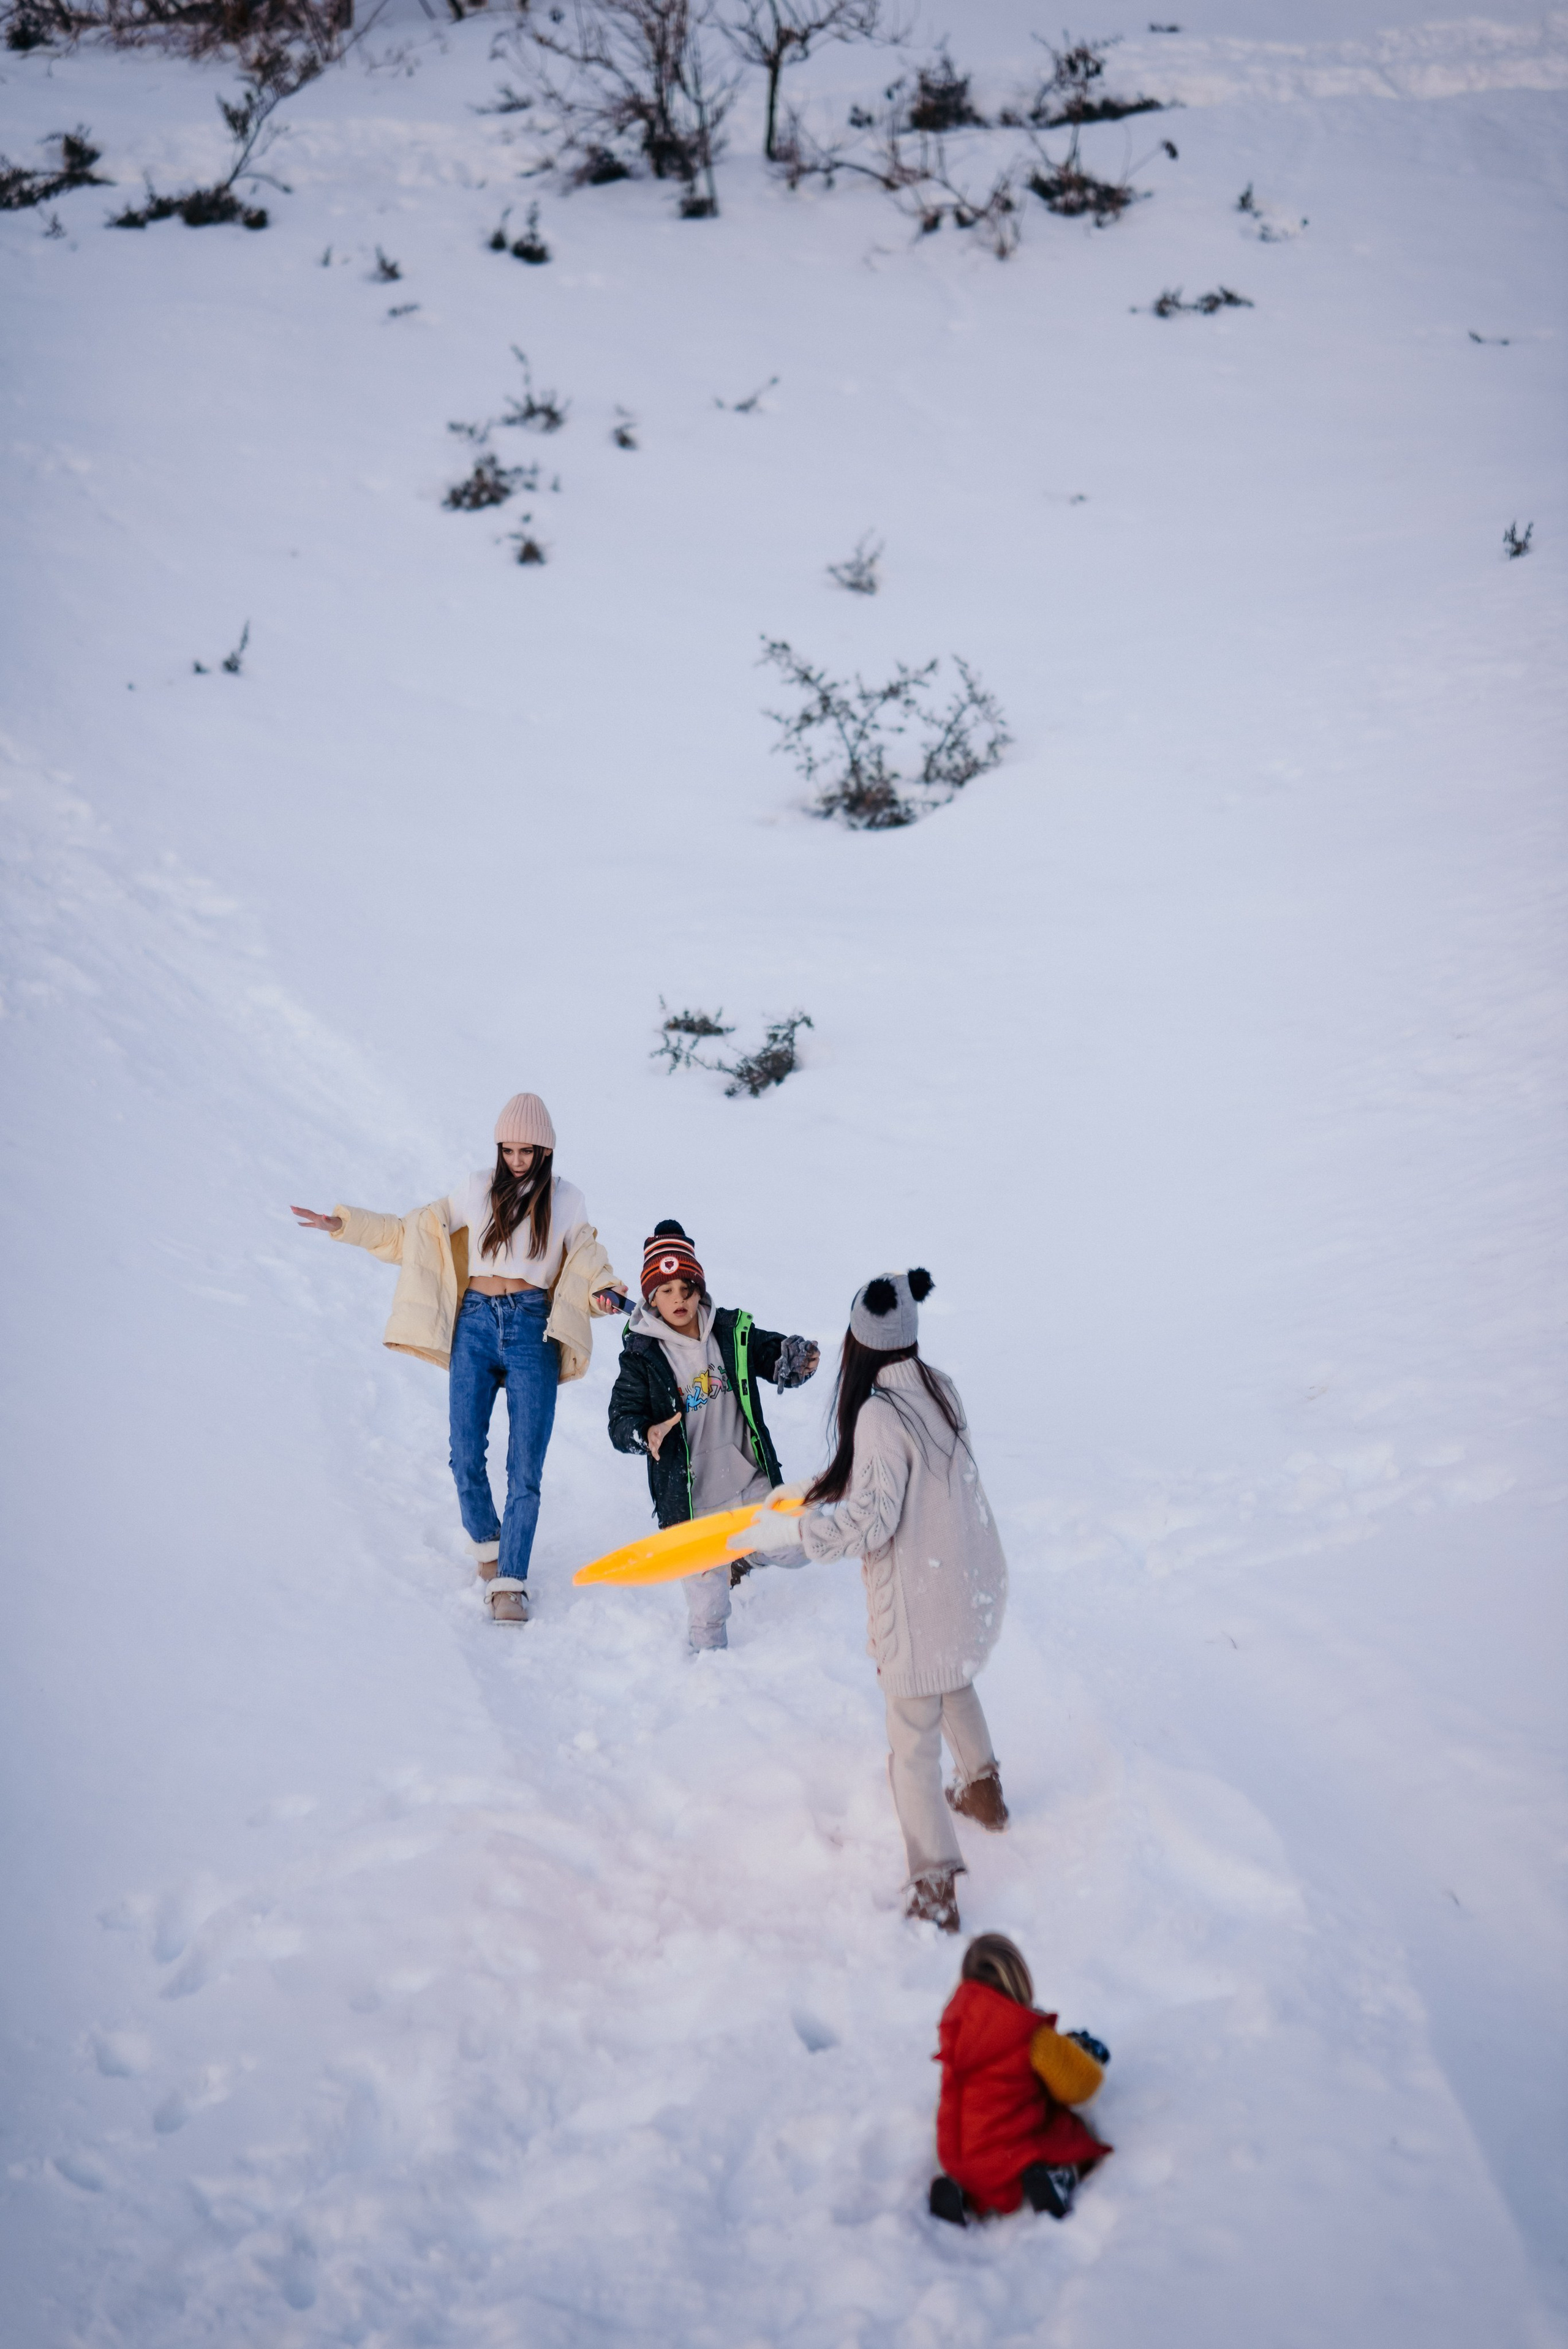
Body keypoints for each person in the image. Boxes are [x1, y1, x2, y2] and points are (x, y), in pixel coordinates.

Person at [734, 1267, 1008, 1930]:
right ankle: (982, 1789)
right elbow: (888, 1486)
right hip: (964, 1584)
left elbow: (876, 1518)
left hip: (917, 1600)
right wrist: (809, 1491)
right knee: (954, 1678)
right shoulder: (939, 1388)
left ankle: (934, 1880)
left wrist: (796, 1532)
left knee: (912, 1739)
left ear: (862, 1342)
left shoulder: (879, 1414)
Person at [291, 1092, 627, 1623]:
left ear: (547, 1150)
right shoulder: (475, 1189)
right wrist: (344, 1225)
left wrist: (605, 1289)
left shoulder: (568, 1200)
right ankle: (488, 1546)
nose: (517, 1160)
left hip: (532, 1326)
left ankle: (509, 1582)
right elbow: (412, 1234)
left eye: (528, 1150)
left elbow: (588, 1259)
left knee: (525, 1465)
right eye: (508, 1150)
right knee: (464, 1452)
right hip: (473, 1322)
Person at [608, 1220, 819, 1653]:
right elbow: (620, 1419)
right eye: (666, 1292)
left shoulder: (728, 1330)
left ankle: (741, 1553)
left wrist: (791, 1360)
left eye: (686, 1288)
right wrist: (643, 1432)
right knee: (707, 1615)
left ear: (699, 1288)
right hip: (691, 1500)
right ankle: (709, 1680)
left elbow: (766, 1351)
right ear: (651, 1298)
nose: (679, 1300)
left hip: (746, 1480)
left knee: (798, 1547)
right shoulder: (642, 1355)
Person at [927, 1932, 1111, 2225]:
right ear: (1020, 1981)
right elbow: (1081, 2086)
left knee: (979, 2142)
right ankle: (1058, 2178)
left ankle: (962, 2191)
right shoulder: (1032, 2037)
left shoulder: (954, 2028)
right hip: (1009, 2159)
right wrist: (1078, 2053)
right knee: (1070, 2135)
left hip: (954, 2156)